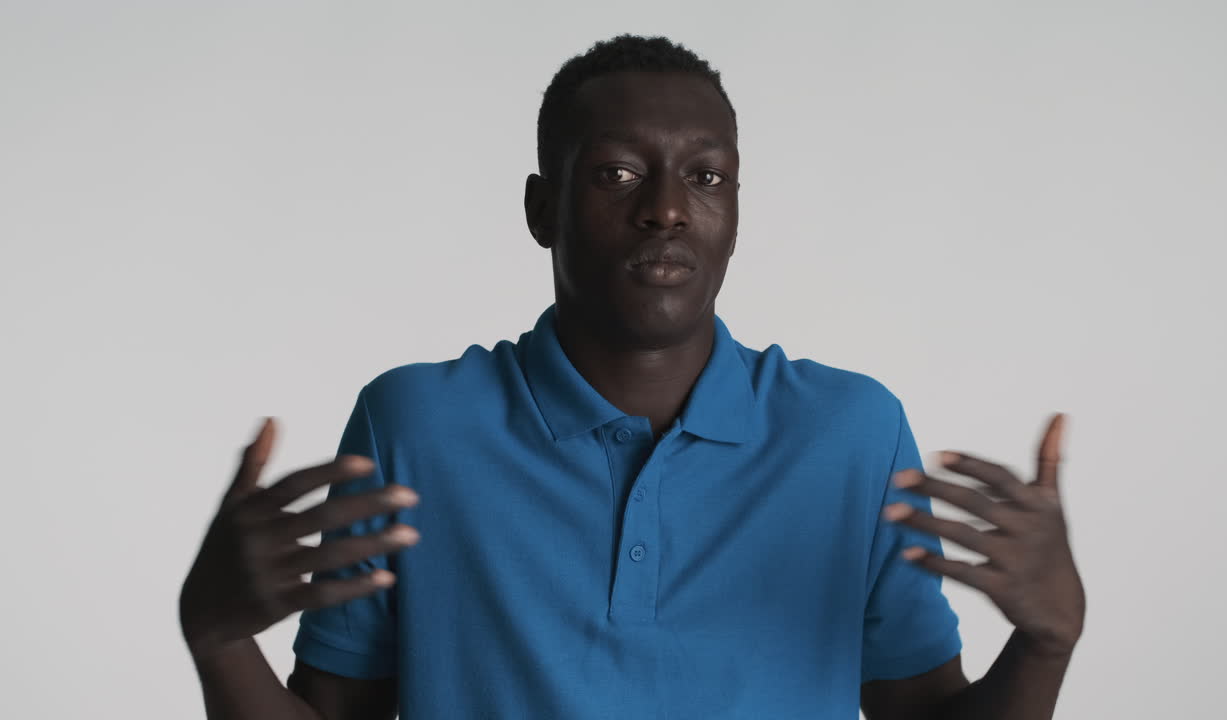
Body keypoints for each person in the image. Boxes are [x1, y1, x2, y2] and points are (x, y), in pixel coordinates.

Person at [179, 34, 1085, 720]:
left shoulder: (851, 431)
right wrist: (217, 637)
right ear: (543, 208)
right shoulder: (416, 425)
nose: (666, 209)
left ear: (735, 211)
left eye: (707, 176)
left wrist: (1047, 643)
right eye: (616, 173)